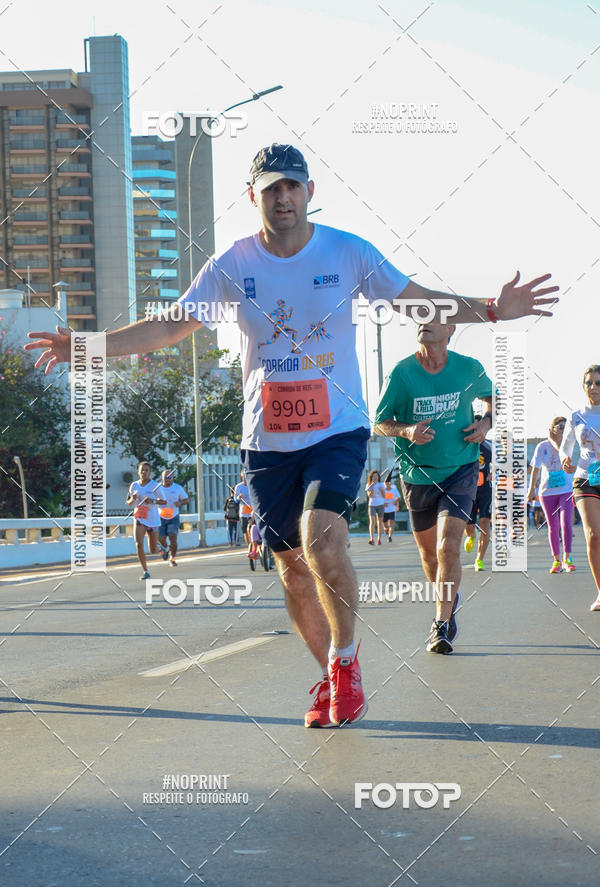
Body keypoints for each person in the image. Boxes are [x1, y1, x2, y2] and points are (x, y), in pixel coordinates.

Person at [25, 141, 558, 725]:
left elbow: (418, 304)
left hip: (337, 430)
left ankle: (347, 660)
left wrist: (489, 308)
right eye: (271, 188)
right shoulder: (232, 263)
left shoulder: (348, 252)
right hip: (266, 439)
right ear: (253, 196)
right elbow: (167, 329)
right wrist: (87, 347)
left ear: (310, 192)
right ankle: (328, 673)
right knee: (291, 570)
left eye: (293, 186)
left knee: (321, 538)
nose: (283, 197)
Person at [374, 322, 493, 654]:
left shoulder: (468, 368)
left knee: (447, 546)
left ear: (450, 329)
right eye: (420, 318)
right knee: (429, 555)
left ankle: (440, 624)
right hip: (417, 474)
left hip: (461, 468)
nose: (425, 324)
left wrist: (485, 423)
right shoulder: (402, 373)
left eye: (434, 318)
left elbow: (493, 401)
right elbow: (380, 421)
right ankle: (449, 600)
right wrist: (408, 430)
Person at [560, 365, 600, 610]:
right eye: (590, 383)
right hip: (585, 478)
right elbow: (566, 445)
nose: (594, 387)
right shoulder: (576, 416)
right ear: (583, 386)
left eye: (599, 382)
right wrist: (566, 458)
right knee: (594, 535)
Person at [527, 417, 574, 574]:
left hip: (566, 490)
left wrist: (555, 441)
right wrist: (531, 490)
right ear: (552, 428)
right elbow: (536, 469)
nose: (561, 429)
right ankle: (556, 560)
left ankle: (567, 558)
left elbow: (562, 454)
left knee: (566, 523)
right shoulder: (542, 446)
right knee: (553, 526)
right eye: (558, 426)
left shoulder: (568, 445)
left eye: (564, 427)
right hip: (547, 492)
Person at [126, 461, 167, 580]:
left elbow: (164, 501)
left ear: (150, 472)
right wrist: (132, 499)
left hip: (152, 518)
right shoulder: (134, 485)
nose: (144, 472)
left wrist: (152, 501)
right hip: (139, 517)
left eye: (146, 470)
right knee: (138, 544)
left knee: (152, 550)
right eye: (142, 470)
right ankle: (146, 571)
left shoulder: (155, 486)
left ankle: (160, 548)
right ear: (138, 472)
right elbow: (128, 503)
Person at [463, 418, 492, 571]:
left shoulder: (489, 446)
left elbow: (501, 463)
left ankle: (479, 559)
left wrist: (495, 472)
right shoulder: (464, 445)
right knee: (469, 527)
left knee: (485, 524)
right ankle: (470, 535)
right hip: (468, 491)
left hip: (485, 491)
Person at [157, 469, 189, 567]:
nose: (168, 479)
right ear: (162, 478)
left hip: (173, 516)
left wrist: (180, 503)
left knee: (173, 537)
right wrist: (155, 502)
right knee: (160, 538)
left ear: (172, 478)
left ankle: (172, 558)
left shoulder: (178, 488)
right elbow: (150, 500)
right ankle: (166, 548)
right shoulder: (157, 488)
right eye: (166, 477)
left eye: (170, 477)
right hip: (160, 516)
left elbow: (186, 499)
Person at [365, 469, 386, 545]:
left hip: (380, 505)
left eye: (376, 476)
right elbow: (369, 495)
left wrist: (381, 490)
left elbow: (384, 496)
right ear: (371, 477)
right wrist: (372, 488)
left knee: (380, 522)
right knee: (372, 521)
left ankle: (379, 539)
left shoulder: (381, 484)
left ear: (378, 477)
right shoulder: (368, 485)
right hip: (372, 505)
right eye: (373, 476)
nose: (375, 477)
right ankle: (372, 538)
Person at [234, 470, 253, 545]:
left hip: (252, 512)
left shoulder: (252, 485)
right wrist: (238, 498)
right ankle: (249, 546)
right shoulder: (238, 487)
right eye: (244, 476)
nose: (245, 477)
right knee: (245, 531)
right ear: (242, 476)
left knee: (253, 529)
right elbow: (235, 500)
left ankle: (254, 544)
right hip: (243, 512)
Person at [382, 474, 401, 541]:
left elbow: (399, 498)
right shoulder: (382, 490)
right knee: (385, 525)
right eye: (386, 483)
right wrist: (383, 503)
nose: (387, 485)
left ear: (390, 484)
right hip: (384, 510)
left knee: (391, 522)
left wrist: (396, 502)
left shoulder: (394, 489)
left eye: (389, 483)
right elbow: (379, 499)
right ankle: (386, 530)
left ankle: (390, 537)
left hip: (392, 509)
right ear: (385, 484)